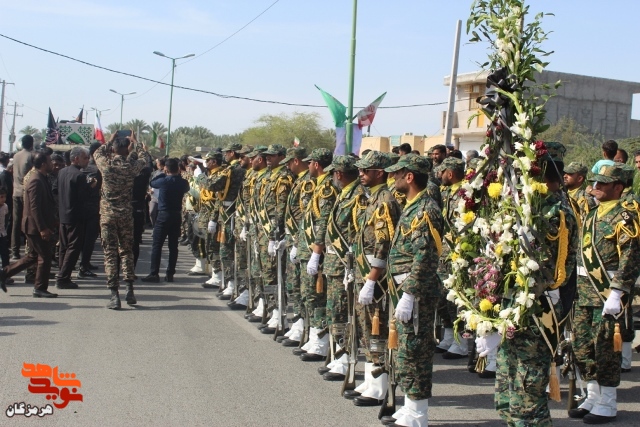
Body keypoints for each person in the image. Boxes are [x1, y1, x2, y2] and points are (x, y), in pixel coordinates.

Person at [495, 142, 578, 426]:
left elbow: (548, 264)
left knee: (528, 383)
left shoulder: (555, 210)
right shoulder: (532, 206)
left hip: (538, 305)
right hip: (520, 303)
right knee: (510, 376)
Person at [570, 164, 640, 424]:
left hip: (606, 294)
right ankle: (593, 395)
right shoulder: (592, 213)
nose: (595, 187)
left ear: (618, 187)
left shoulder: (624, 217)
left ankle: (608, 402)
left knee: (606, 349)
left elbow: (630, 258)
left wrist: (618, 292)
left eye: (602, 184)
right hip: (583, 292)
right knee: (582, 347)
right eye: (595, 183)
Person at [382, 153, 444, 427]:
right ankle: (410, 405)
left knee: (416, 351)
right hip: (404, 289)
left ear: (410, 177)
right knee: (406, 351)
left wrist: (410, 293)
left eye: (397, 174)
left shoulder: (426, 209)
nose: (393, 178)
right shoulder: (411, 205)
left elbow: (426, 255)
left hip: (415, 292)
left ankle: (419, 412)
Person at [347, 151, 401, 406]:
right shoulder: (373, 198)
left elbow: (384, 242)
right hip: (364, 269)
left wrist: (371, 279)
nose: (361, 174)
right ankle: (371, 377)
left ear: (379, 172)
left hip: (374, 275)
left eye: (365, 170)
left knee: (375, 325)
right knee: (365, 326)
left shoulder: (385, 200)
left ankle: (379, 384)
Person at [94, 131, 151, 309]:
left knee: (110, 254)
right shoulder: (130, 167)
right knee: (126, 252)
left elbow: (97, 153)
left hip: (108, 215)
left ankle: (114, 295)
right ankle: (130, 289)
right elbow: (145, 159)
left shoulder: (107, 165)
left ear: (113, 149)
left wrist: (109, 141)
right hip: (126, 214)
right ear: (127, 150)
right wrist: (137, 143)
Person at [320, 155, 363, 380]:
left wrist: (352, 264)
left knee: (343, 312)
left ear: (339, 174)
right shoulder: (345, 193)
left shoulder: (358, 196)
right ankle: (339, 355)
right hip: (335, 264)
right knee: (335, 310)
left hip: (344, 264)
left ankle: (345, 358)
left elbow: (359, 233)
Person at [295, 148, 337, 359]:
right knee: (308, 296)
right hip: (307, 248)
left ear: (317, 164)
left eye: (310, 162)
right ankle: (313, 338)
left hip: (317, 253)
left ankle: (320, 343)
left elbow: (323, 222)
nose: (308, 166)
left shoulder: (327, 188)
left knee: (317, 297)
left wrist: (316, 252)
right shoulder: (317, 186)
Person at [0, 151, 58, 297]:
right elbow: (34, 208)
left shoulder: (42, 177)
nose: (52, 164)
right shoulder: (35, 180)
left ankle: (4, 273)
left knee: (32, 257)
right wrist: (42, 228)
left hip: (38, 225)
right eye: (50, 161)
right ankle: (40, 288)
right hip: (35, 226)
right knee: (44, 256)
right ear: (44, 164)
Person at [436, 158, 471, 363]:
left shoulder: (465, 193)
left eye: (443, 172)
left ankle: (462, 341)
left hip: (459, 255)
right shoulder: (446, 193)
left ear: (450, 173)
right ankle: (449, 334)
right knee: (443, 298)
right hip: (444, 254)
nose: (440, 176)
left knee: (459, 300)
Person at [277, 146, 311, 345]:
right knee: (293, 285)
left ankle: (303, 326)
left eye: (289, 162)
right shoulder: (301, 181)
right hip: (294, 239)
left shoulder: (307, 183)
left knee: (301, 287)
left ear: (296, 161)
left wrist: (297, 242)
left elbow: (306, 218)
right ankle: (298, 322)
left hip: (302, 241)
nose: (288, 166)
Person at [205, 143, 247, 299]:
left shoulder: (234, 170)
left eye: (226, 153)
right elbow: (219, 197)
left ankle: (233, 284)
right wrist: (214, 218)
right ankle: (231, 283)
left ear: (232, 153)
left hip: (232, 215)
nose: (224, 155)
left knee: (229, 252)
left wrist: (203, 175)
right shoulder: (230, 169)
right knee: (227, 252)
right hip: (227, 213)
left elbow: (213, 186)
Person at [142, 158, 190, 283]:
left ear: (166, 169)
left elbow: (153, 183)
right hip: (176, 215)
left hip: (164, 214)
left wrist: (163, 172)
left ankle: (154, 273)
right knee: (173, 246)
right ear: (178, 169)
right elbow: (186, 188)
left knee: (157, 245)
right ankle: (170, 273)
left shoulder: (164, 180)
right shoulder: (183, 182)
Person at [56, 147, 93, 289]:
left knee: (64, 247)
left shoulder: (62, 172)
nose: (87, 161)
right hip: (75, 216)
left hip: (63, 215)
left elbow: (55, 189)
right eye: (85, 158)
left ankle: (63, 273)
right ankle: (63, 277)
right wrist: (90, 186)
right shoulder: (79, 176)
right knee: (73, 247)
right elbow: (83, 197)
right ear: (76, 158)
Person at [79, 142, 103, 275]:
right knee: (89, 238)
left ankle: (85, 263)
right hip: (93, 207)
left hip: (83, 206)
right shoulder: (97, 169)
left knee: (85, 238)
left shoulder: (83, 168)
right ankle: (83, 266)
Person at [11, 135, 35, 260]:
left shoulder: (16, 155)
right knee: (29, 222)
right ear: (31, 144)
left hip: (16, 192)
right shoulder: (31, 156)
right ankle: (29, 250)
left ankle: (14, 250)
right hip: (26, 193)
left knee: (16, 222)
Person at [564, 161, 595, 227]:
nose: (565, 176)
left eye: (570, 174)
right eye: (565, 173)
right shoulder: (562, 195)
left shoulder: (584, 198)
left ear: (579, 178)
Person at [148, 157, 166, 228]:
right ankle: (154, 226)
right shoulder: (154, 173)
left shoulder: (166, 173)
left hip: (162, 197)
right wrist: (149, 190)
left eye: (158, 163)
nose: (156, 164)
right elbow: (150, 183)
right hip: (154, 197)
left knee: (160, 214)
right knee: (152, 212)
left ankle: (159, 228)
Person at [0, 187, 10, 267]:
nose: (3, 199)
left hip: (2, 233)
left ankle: (6, 273)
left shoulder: (5, 206)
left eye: (4, 197)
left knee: (5, 253)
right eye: (1, 197)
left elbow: (6, 218)